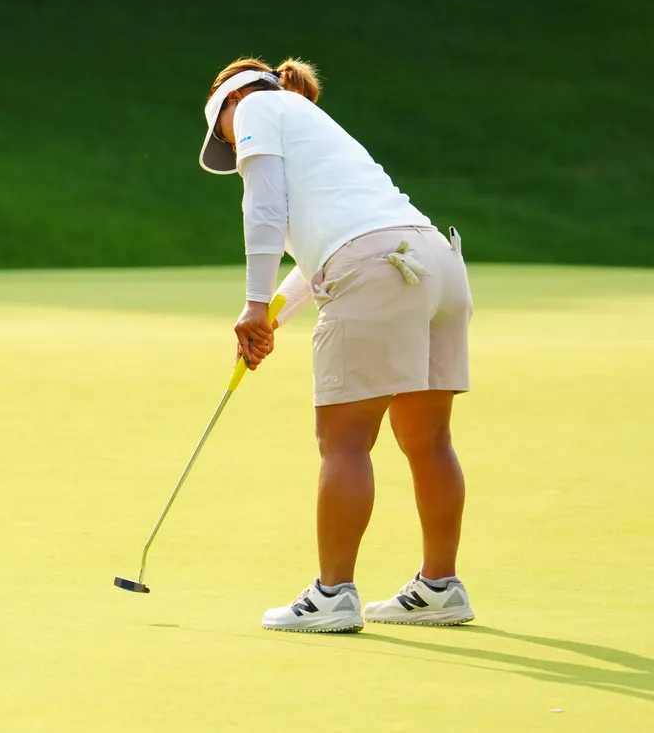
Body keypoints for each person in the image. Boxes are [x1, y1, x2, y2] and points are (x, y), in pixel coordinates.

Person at [199, 57, 475, 633]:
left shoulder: (253, 106)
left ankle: (332, 594)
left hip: (376, 269)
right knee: (428, 440)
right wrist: (272, 316)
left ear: (230, 102)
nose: (231, 144)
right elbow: (323, 254)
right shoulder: (312, 128)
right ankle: (440, 587)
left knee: (344, 441)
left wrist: (252, 303)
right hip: (436, 262)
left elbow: (263, 208)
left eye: (223, 134)